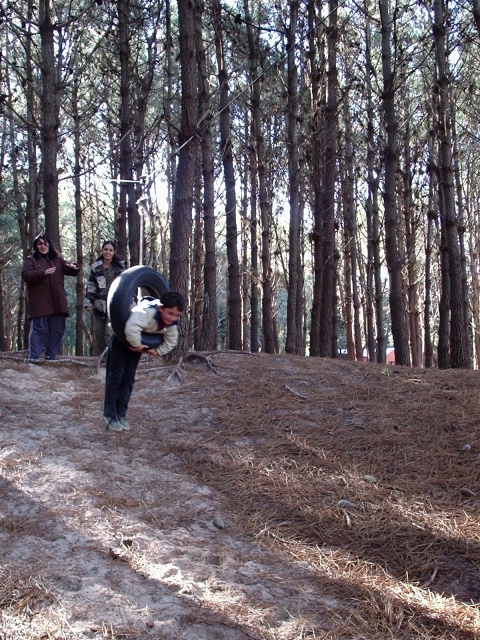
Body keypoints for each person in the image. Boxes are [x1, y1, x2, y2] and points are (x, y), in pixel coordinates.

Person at [104, 290, 185, 433]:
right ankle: (110, 414)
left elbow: (172, 340)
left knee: (128, 379)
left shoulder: (171, 324)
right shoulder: (145, 312)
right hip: (121, 340)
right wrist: (137, 345)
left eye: (176, 315)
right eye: (170, 313)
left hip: (137, 346)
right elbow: (131, 328)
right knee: (115, 376)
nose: (172, 318)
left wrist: (157, 351)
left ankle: (121, 414)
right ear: (160, 308)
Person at [21, 232, 80, 361]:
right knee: (39, 329)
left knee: (58, 329)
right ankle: (34, 358)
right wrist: (42, 273)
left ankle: (50, 356)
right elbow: (26, 275)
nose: (43, 246)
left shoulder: (57, 260)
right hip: (40, 302)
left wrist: (74, 267)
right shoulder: (30, 260)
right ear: (36, 246)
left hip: (57, 301)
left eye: (46, 243)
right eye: (40, 244)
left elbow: (71, 270)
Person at [84, 240, 125, 356]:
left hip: (114, 303)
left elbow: (125, 284)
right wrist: (88, 302)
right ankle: (104, 356)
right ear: (102, 251)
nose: (108, 252)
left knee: (109, 331)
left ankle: (113, 356)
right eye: (106, 249)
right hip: (99, 304)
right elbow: (91, 285)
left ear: (114, 252)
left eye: (110, 250)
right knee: (98, 331)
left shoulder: (120, 267)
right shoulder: (95, 267)